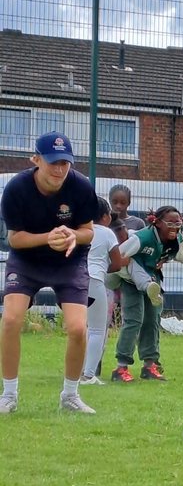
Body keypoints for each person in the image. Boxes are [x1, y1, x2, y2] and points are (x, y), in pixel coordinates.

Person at [1, 131, 100, 414]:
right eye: (53, 162)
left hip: (69, 261)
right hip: (26, 261)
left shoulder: (80, 187)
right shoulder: (16, 189)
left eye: (65, 163)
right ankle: (8, 395)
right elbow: (15, 239)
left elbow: (89, 232)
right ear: (36, 159)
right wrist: (48, 237)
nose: (59, 169)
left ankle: (70, 396)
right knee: (10, 320)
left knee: (79, 328)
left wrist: (71, 236)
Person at [110, 206, 183, 382]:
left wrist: (163, 261)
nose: (175, 227)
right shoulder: (142, 238)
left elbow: (180, 254)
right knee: (134, 320)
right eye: (170, 223)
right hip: (130, 279)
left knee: (152, 320)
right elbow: (119, 255)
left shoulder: (177, 238)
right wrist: (126, 270)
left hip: (154, 278)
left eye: (178, 223)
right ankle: (121, 368)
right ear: (157, 222)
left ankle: (150, 366)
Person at [81, 198, 126, 384]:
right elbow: (117, 263)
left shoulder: (79, 231)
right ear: (106, 216)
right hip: (94, 281)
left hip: (74, 281)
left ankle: (77, 371)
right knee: (98, 330)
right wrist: (127, 260)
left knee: (81, 329)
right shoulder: (107, 233)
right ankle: (89, 374)